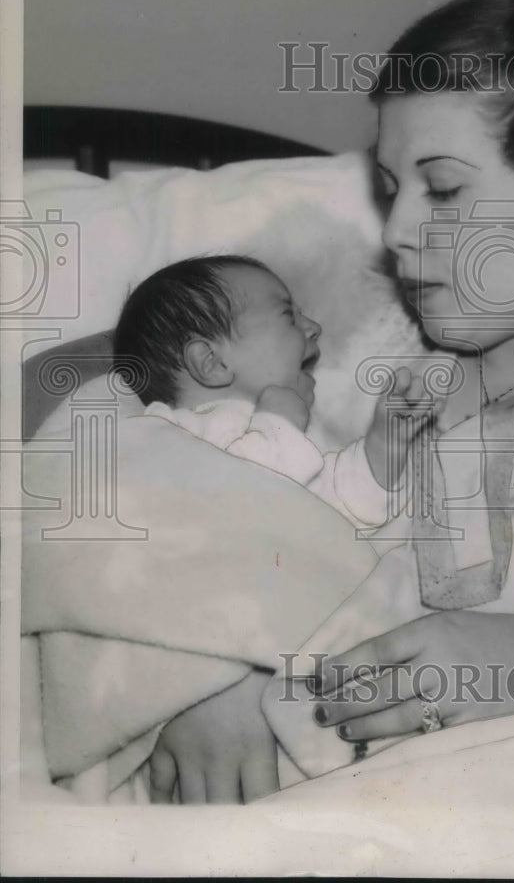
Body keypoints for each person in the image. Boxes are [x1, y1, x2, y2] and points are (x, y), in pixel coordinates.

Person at [147, 0, 514, 807]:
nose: (395, 231)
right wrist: (190, 676)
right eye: (390, 188)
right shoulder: (339, 375)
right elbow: (145, 477)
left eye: (445, 189)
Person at [113, 253, 438, 800]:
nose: (313, 327)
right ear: (211, 364)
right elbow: (238, 512)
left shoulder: (289, 439)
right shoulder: (162, 435)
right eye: (288, 314)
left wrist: (384, 444)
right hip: (225, 651)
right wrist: (281, 422)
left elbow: (337, 516)